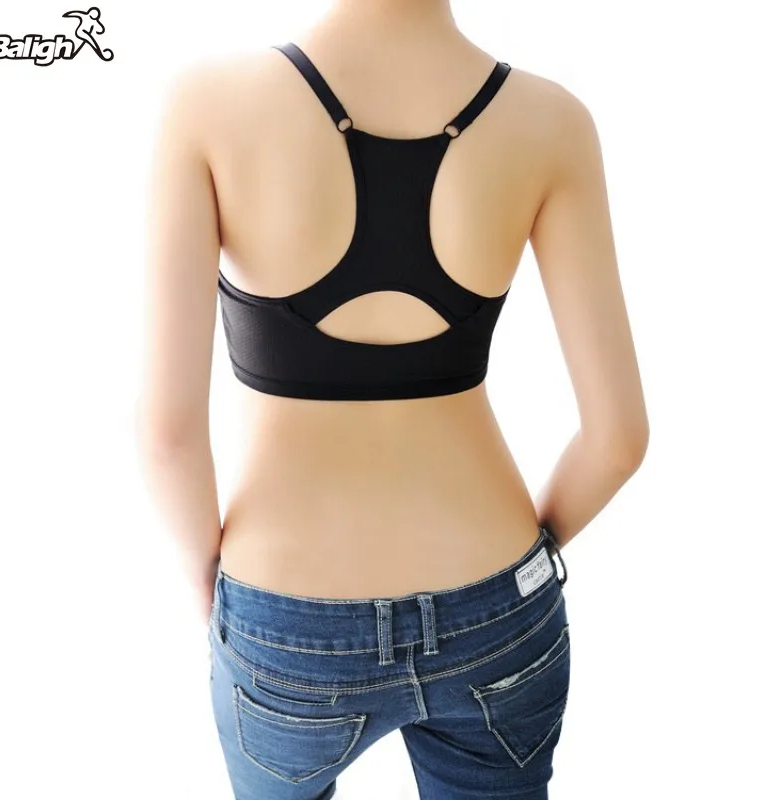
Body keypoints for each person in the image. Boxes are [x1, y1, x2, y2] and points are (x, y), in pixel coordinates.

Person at [136, 1, 649, 797]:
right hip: (496, 599)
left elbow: (166, 434)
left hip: (286, 607)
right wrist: (524, 567)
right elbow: (618, 439)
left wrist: (213, 581)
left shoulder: (208, 106)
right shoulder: (552, 122)